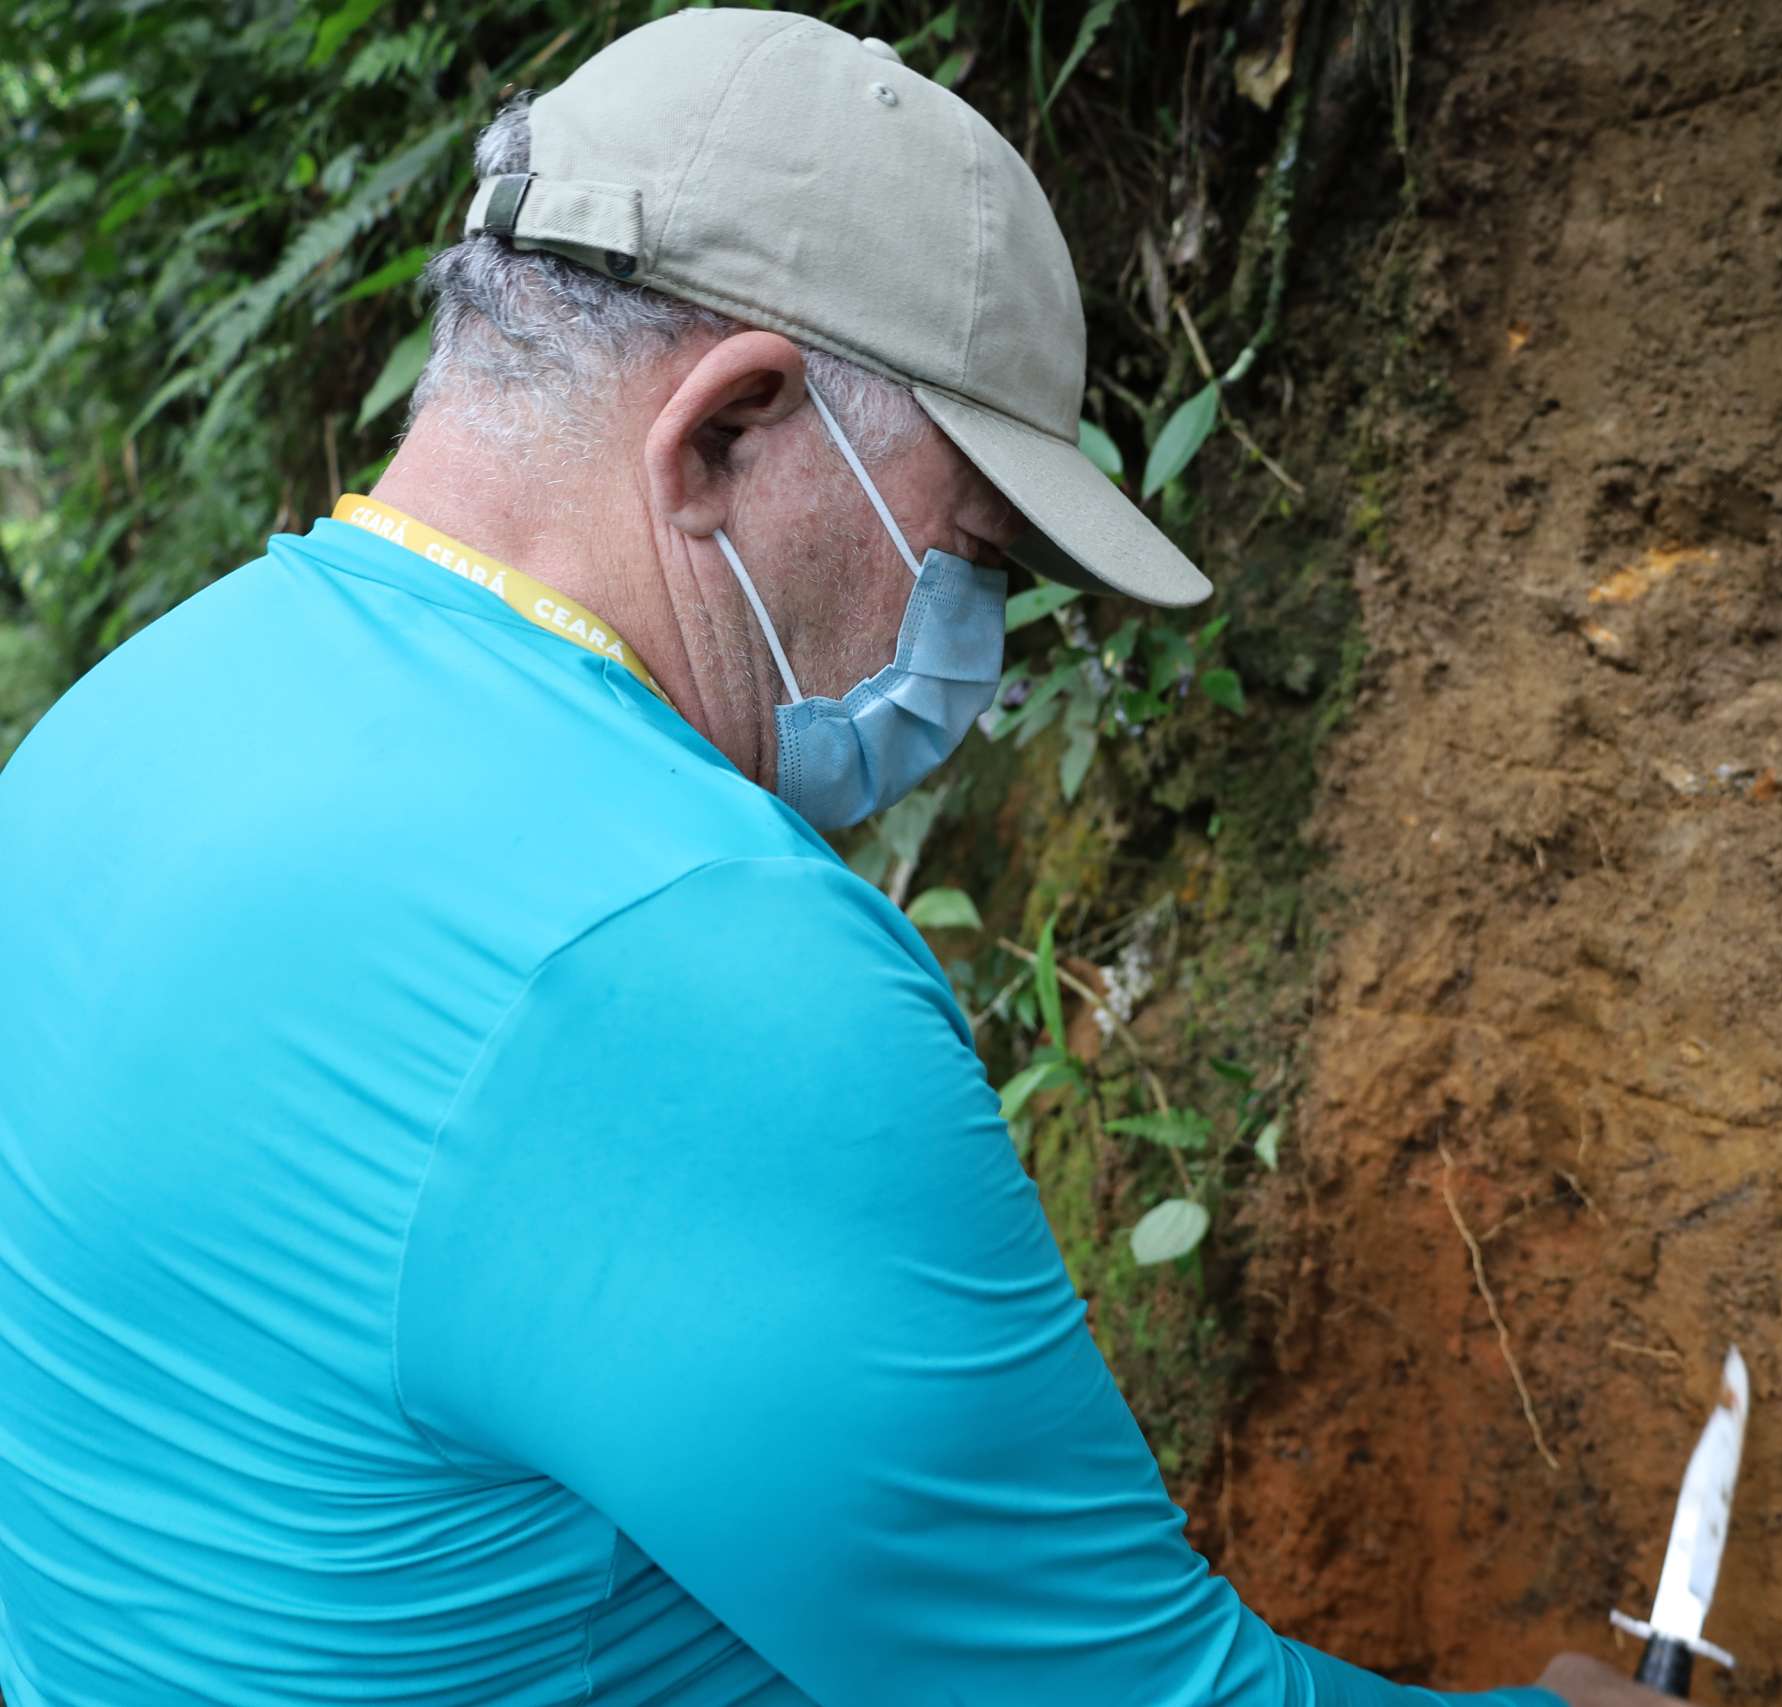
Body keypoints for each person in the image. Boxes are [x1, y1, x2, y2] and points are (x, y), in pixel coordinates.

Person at [0, 11, 1668, 1705]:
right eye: (972, 558)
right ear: (727, 432)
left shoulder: (114, 724)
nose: (979, 652)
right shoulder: (698, 957)